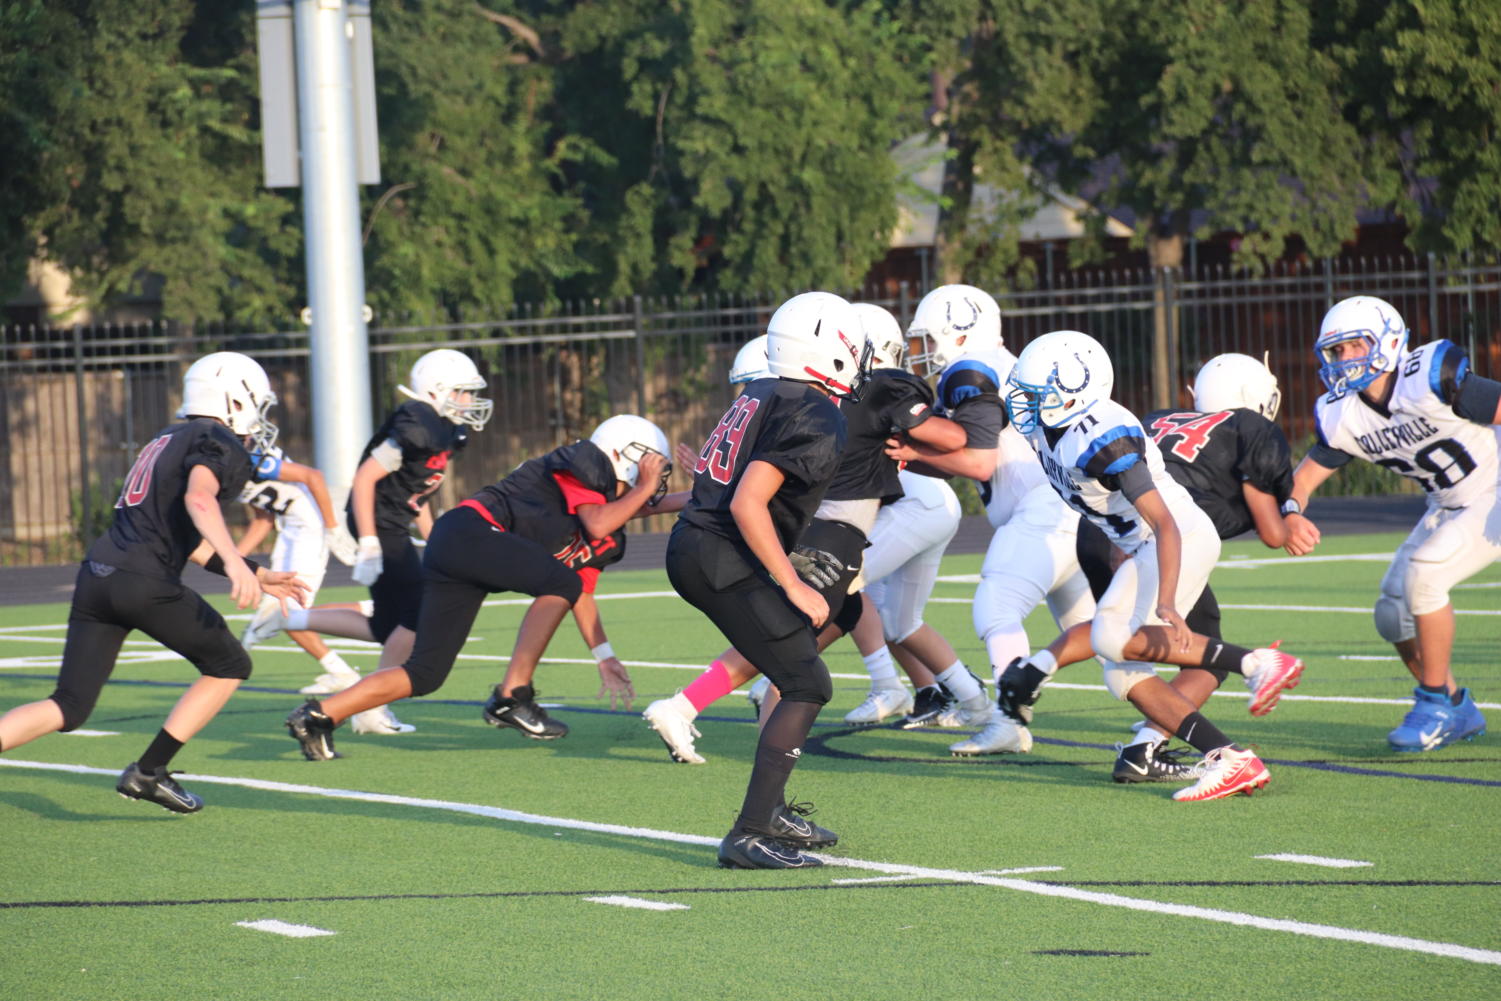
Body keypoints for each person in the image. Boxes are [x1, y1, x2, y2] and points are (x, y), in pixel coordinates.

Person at [642, 304, 970, 764]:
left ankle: (921, 690)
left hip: (827, 529)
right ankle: (706, 716)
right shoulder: (839, 400)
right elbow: (953, 441)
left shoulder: (778, 397)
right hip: (830, 532)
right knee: (792, 643)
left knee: (852, 609)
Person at [995, 330, 1304, 802]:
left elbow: (1165, 523)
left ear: (1074, 390)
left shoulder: (1103, 437)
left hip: (1177, 537)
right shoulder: (1046, 427)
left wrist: (1167, 602)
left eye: (1036, 394)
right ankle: (1230, 758)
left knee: (1110, 637)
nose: (1024, 402)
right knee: (1122, 672)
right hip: (1136, 543)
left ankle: (1256, 662)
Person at [0, 352, 308, 811]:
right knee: (229, 665)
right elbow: (199, 500)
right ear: (233, 401)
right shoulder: (217, 440)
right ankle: (149, 772)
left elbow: (181, 535)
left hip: (98, 576)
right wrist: (235, 560)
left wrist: (256, 572)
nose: (260, 420)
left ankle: (149, 773)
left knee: (68, 705)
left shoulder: (167, 437)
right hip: (143, 583)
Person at [283, 415, 684, 759]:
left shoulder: (609, 526)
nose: (655, 476)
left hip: (464, 549)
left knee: (425, 675)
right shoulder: (583, 467)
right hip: (469, 532)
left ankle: (319, 716)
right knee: (557, 580)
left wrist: (604, 655)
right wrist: (646, 489)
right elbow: (600, 520)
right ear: (622, 455)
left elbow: (582, 589)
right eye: (649, 464)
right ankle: (513, 696)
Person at [665, 291, 862, 868]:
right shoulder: (817, 411)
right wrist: (792, 581)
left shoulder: (761, 390)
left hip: (698, 544)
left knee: (799, 671)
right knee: (807, 682)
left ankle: (768, 813)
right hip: (723, 554)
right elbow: (750, 503)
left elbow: (722, 484)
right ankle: (750, 832)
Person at [1284, 295, 1499, 751]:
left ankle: (1434, 702)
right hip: (1448, 503)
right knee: (1392, 612)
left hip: (1494, 487)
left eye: (1354, 347)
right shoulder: (1344, 414)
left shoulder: (1429, 376)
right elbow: (1303, 478)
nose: (1344, 360)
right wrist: (1290, 513)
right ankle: (1458, 707)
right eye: (1336, 351)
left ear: (1390, 340)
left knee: (1426, 574)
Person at [887, 284, 1091, 752]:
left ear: (959, 333)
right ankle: (1166, 723)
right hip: (1067, 506)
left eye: (928, 339)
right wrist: (912, 454)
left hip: (1040, 511)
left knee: (996, 607)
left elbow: (980, 462)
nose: (922, 353)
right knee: (1104, 634)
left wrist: (907, 450)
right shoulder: (1008, 363)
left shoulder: (971, 369)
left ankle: (1008, 718)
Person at [245, 348, 490, 734]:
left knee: (387, 626)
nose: (469, 401)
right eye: (462, 391)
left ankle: (293, 617)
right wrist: (371, 540)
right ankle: (370, 708)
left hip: (391, 522)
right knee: (416, 615)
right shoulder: (414, 426)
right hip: (378, 524)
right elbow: (364, 479)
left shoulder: (443, 432)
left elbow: (417, 497)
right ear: (437, 390)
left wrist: (437, 542)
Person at [1081, 352, 1302, 782]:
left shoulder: (1158, 418)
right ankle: (1256, 668)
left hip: (1101, 533)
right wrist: (1293, 516)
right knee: (1123, 646)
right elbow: (1273, 533)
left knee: (1127, 656)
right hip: (1163, 539)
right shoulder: (1249, 427)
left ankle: (1143, 751)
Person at [234, 445, 373, 710]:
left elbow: (313, 476)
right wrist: (230, 559)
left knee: (287, 611)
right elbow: (263, 520)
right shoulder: (219, 467)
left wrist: (332, 528)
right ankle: (341, 671)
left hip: (310, 525)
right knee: (288, 611)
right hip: (290, 529)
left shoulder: (247, 458)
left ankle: (345, 666)